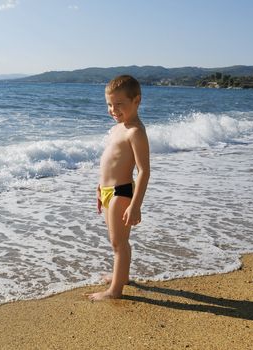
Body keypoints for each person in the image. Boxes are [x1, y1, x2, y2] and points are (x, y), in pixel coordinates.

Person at [86, 75, 150, 300]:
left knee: (119, 243)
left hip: (121, 192)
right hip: (107, 191)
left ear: (137, 100)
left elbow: (143, 171)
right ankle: (120, 277)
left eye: (119, 104)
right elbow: (110, 161)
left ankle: (115, 291)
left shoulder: (135, 132)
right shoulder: (118, 128)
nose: (113, 110)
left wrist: (135, 205)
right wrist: (99, 189)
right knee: (116, 241)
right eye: (109, 105)